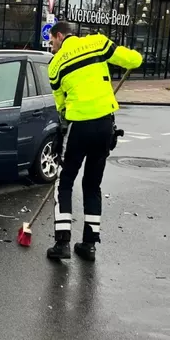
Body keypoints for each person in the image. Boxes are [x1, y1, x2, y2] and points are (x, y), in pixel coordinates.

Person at [46, 22, 143, 262]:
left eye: (52, 42)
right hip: (104, 126)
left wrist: (64, 127)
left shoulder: (55, 66)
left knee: (65, 182)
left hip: (80, 126)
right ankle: (89, 245)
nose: (53, 46)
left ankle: (62, 243)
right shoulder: (97, 42)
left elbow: (61, 106)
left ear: (60, 36)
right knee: (92, 185)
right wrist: (135, 57)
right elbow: (134, 60)